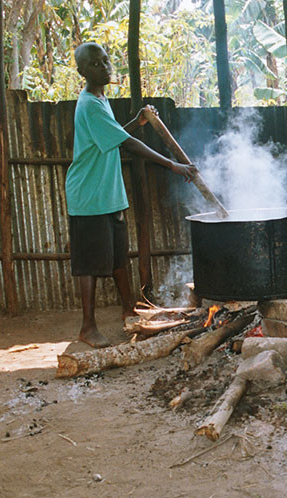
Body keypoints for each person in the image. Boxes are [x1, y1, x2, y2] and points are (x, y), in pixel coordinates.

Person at [67, 42, 196, 348]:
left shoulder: (101, 100)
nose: (105, 66)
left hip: (108, 194)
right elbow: (127, 145)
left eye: (106, 60)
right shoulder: (89, 105)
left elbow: (113, 137)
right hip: (89, 196)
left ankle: (128, 308)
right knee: (90, 264)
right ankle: (87, 327)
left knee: (117, 257)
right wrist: (172, 165)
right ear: (82, 71)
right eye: (96, 64)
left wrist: (135, 123)